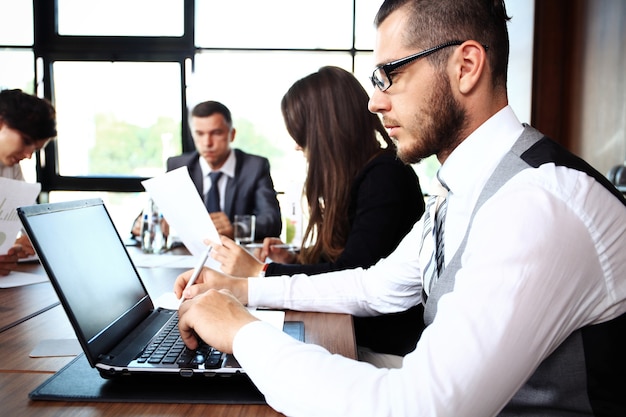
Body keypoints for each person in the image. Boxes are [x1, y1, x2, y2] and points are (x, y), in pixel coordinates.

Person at [175, 0, 626, 415]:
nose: (374, 102)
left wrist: (240, 332)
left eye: (392, 73)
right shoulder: (466, 187)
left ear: (466, 66)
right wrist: (243, 290)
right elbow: (373, 287)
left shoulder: (536, 205)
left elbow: (421, 409)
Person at [210, 66, 426, 359]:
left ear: (325, 132)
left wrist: (259, 272)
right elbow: (350, 255)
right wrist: (295, 258)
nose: (298, 145)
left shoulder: (386, 177)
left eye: (302, 134)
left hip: (381, 348)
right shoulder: (366, 174)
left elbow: (351, 275)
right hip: (357, 335)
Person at [132, 100, 282, 241]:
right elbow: (151, 213)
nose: (207, 143)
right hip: (189, 257)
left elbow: (272, 221)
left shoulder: (254, 167)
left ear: (232, 134)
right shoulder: (178, 165)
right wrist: (142, 225)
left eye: (216, 133)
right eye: (200, 134)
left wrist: (236, 228)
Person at [0, 89, 56, 275]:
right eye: (26, 141)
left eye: (36, 149)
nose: (28, 155)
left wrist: (27, 242)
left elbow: (29, 221)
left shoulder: (10, 167)